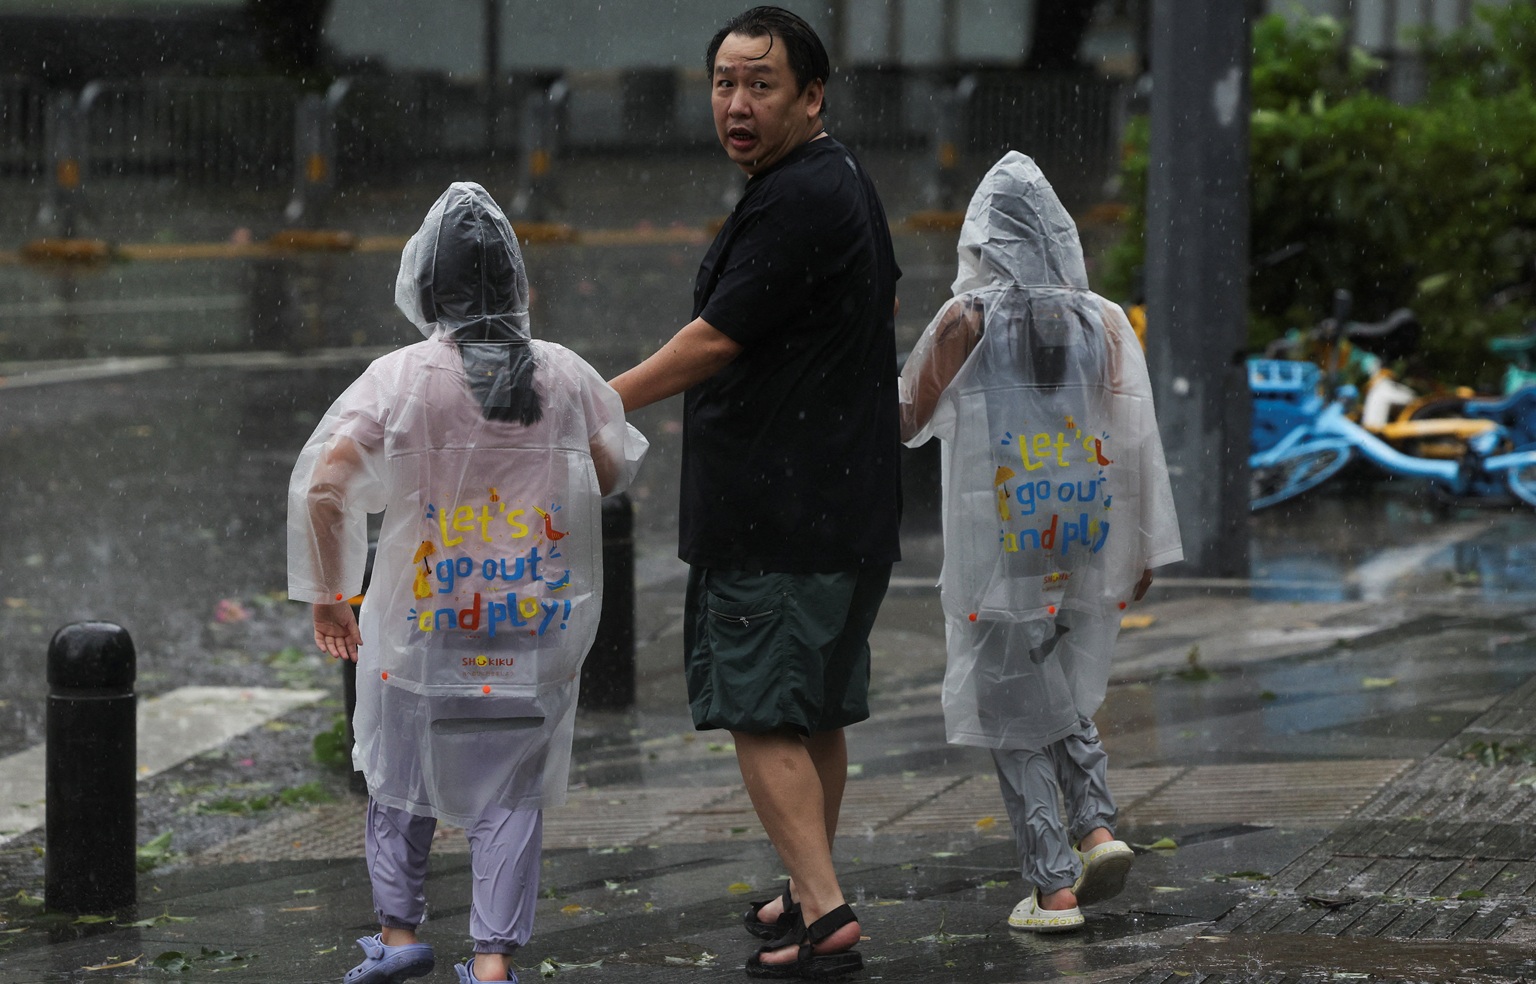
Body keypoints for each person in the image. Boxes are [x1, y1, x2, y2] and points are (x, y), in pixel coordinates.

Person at [287, 182, 647, 984]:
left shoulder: (400, 379)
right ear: (519, 286)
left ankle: (401, 933)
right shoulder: (564, 374)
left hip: (424, 618)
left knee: (399, 770)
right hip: (530, 617)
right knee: (514, 789)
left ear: (424, 288)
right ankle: (491, 964)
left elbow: (324, 486)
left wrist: (329, 591)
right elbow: (612, 467)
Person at [608, 6, 901, 979]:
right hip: (838, 500)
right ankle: (804, 879)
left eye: (760, 84)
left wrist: (595, 402)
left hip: (778, 512)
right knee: (810, 708)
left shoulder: (797, 198)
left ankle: (822, 913)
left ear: (810, 96)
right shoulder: (835, 178)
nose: (736, 103)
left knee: (765, 711)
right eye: (725, 83)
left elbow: (717, 337)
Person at [898, 152, 1182, 933]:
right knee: (1056, 674)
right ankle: (1097, 825)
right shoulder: (1105, 319)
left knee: (1005, 701)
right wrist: (1143, 546)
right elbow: (1135, 439)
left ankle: (1054, 886)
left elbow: (909, 416)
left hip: (1002, 535)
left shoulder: (968, 320)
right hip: (1081, 524)